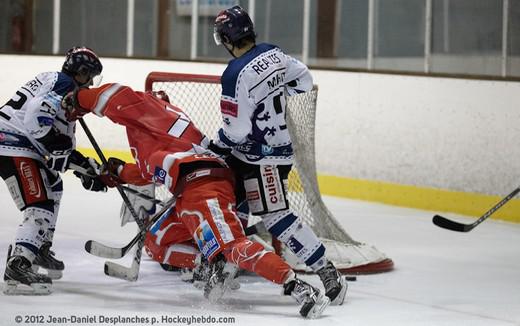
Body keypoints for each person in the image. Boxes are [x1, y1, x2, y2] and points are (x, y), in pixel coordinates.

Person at [63, 84, 330, 318]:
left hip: (204, 187)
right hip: (190, 192)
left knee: (233, 246)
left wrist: (79, 100)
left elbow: (115, 95)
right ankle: (209, 264)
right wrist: (116, 173)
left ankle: (297, 287)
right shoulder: (161, 134)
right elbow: (151, 171)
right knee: (157, 241)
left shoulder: (149, 108)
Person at [210, 5, 347, 305]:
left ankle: (326, 270)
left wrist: (213, 145)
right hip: (266, 151)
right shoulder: (273, 52)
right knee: (228, 201)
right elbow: (304, 80)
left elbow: (236, 131)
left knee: (275, 216)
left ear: (227, 38)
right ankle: (228, 264)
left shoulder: (234, 74)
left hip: (264, 159)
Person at [0, 47, 106, 295]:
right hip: (12, 143)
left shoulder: (58, 81)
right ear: (80, 72)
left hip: (20, 142)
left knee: (53, 186)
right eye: (89, 76)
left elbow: (58, 141)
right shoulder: (65, 84)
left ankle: (37, 249)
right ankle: (19, 264)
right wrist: (63, 152)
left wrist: (82, 168)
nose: (91, 83)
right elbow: (37, 118)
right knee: (40, 202)